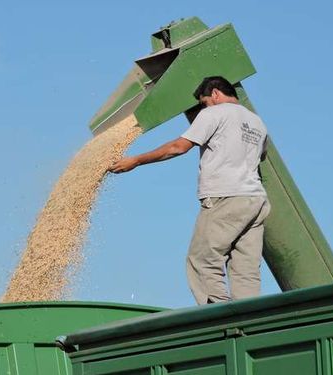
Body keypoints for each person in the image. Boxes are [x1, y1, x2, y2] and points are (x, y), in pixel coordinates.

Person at [108, 76, 270, 305]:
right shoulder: (257, 122)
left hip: (225, 196)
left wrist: (136, 160)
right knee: (246, 271)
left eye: (204, 102)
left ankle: (218, 318)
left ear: (215, 94)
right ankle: (250, 322)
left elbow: (177, 147)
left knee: (202, 261)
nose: (204, 107)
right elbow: (261, 155)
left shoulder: (214, 113)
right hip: (256, 201)